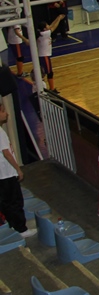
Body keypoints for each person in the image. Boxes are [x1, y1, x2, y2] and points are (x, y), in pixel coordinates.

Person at [0, 105, 34, 238]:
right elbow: (6, 153)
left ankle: (12, 223)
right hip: (6, 174)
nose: (6, 113)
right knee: (14, 201)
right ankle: (21, 229)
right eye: (3, 111)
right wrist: (18, 169)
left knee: (5, 201)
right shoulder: (1, 133)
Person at [35, 14, 64, 92]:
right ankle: (51, 89)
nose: (48, 25)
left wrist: (58, 18)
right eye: (47, 25)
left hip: (43, 55)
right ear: (44, 28)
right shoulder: (44, 34)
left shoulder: (41, 33)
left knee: (45, 72)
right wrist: (59, 19)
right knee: (49, 73)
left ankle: (47, 88)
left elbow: (51, 26)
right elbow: (53, 27)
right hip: (44, 56)